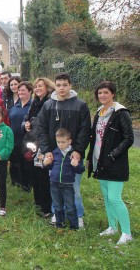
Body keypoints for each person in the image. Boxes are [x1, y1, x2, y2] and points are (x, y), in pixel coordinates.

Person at [37, 72, 91, 228]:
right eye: (58, 85)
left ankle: (78, 215)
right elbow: (41, 128)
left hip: (72, 154)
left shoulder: (80, 105)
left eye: (65, 85)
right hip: (54, 155)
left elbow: (85, 129)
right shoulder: (48, 105)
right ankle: (57, 214)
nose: (61, 88)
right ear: (55, 86)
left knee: (73, 187)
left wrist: (79, 150)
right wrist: (47, 150)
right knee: (55, 185)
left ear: (70, 85)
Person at [87, 81, 134, 245]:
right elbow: (95, 138)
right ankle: (112, 226)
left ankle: (127, 233)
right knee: (107, 198)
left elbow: (129, 138)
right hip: (99, 161)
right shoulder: (99, 112)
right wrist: (90, 158)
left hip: (115, 162)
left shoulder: (121, 113)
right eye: (100, 93)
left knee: (114, 198)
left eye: (106, 92)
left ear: (113, 93)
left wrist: (113, 155)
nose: (102, 96)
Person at [42, 128, 85, 230]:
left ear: (69, 141)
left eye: (63, 142)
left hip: (68, 184)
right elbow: (50, 167)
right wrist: (45, 164)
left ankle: (74, 226)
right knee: (57, 206)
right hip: (54, 183)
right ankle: (59, 224)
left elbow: (80, 170)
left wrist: (76, 165)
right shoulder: (55, 152)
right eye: (58, 142)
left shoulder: (73, 154)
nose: (60, 145)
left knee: (70, 206)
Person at [24, 77, 55, 217]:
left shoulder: (50, 103)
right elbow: (27, 119)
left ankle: (47, 207)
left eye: (40, 86)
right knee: (35, 172)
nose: (37, 89)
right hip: (33, 142)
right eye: (35, 87)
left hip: (45, 142)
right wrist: (26, 124)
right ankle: (38, 204)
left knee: (44, 175)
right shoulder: (34, 103)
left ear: (47, 87)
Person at [8, 81, 33, 191]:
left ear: (30, 91)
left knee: (26, 162)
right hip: (14, 139)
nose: (20, 92)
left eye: (23, 90)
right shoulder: (15, 106)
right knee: (14, 161)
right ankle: (15, 181)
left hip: (28, 140)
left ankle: (27, 185)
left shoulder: (33, 106)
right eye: (19, 90)